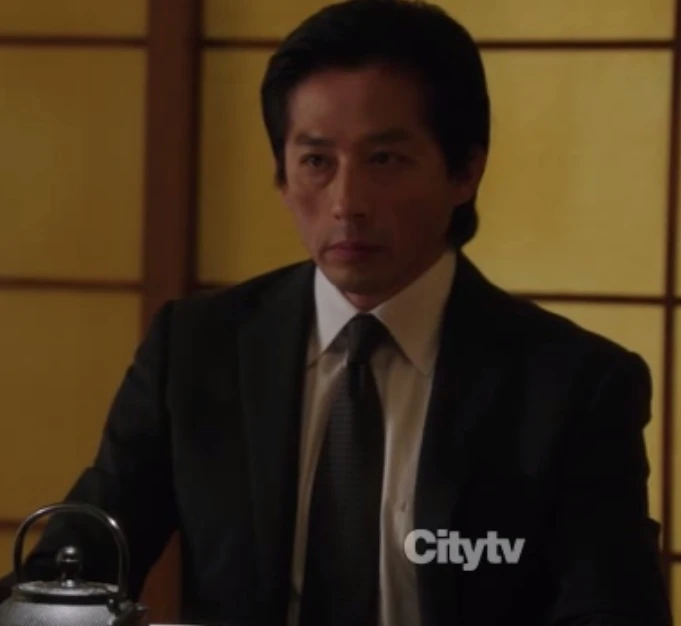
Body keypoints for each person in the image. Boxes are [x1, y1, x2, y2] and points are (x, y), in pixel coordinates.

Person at [0, 1, 672, 624]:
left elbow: (612, 612)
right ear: (281, 175)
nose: (347, 202)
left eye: (385, 159)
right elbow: (74, 568)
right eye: (317, 161)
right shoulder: (198, 350)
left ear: (464, 171)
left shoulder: (572, 386)